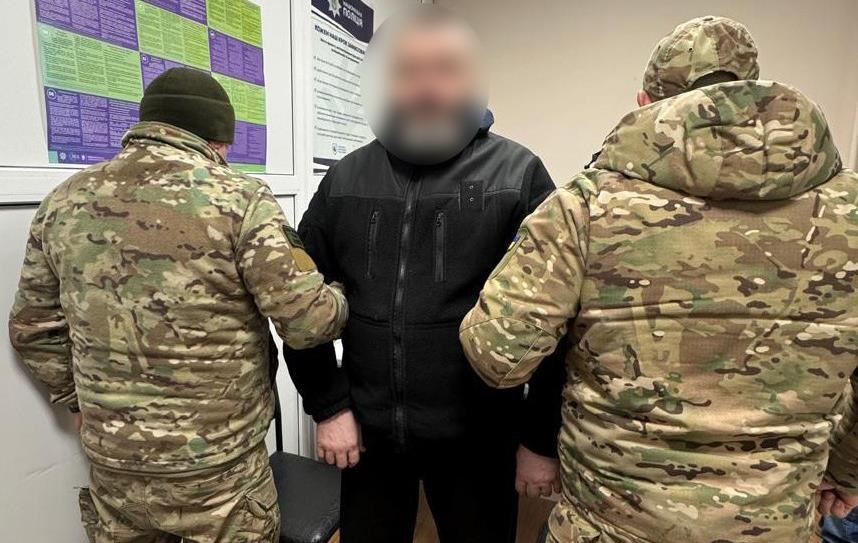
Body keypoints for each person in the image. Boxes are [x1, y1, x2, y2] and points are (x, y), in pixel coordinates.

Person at [460, 15, 858, 543]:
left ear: (645, 104)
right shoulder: (851, 211)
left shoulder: (586, 206)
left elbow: (497, 356)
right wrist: (846, 471)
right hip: (774, 528)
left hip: (605, 527)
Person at [9, 67, 348, 543]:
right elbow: (307, 322)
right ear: (219, 140)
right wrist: (339, 294)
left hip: (115, 463)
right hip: (219, 469)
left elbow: (32, 327)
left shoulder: (62, 202)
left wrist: (74, 400)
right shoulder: (241, 200)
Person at [283, 6, 565, 543]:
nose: (427, 87)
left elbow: (557, 320)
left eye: (445, 70)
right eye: (409, 71)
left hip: (479, 441)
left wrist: (539, 439)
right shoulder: (346, 178)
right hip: (367, 437)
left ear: (472, 80)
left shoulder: (518, 176)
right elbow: (296, 298)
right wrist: (328, 406)